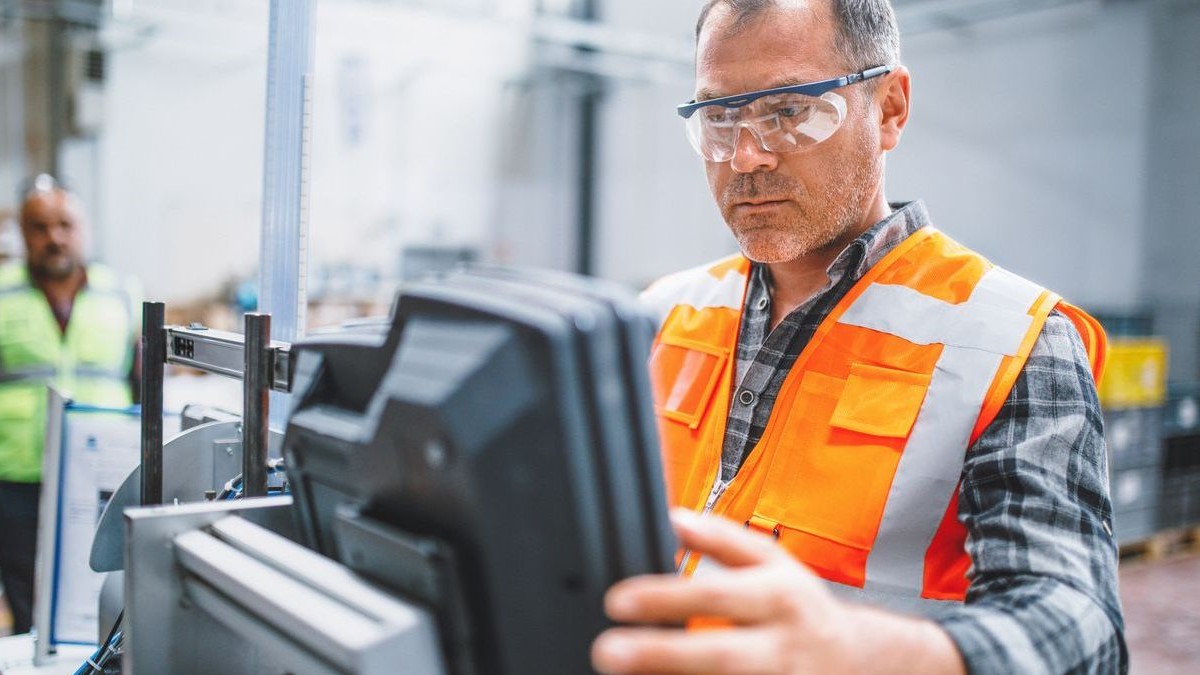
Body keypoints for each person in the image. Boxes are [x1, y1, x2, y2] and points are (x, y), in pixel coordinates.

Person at [591, 1, 1125, 673]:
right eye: (720, 118)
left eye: (789, 111)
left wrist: (874, 654)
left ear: (891, 107)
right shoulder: (664, 311)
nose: (747, 156)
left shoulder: (1010, 339)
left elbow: (1081, 632)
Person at [0, 175, 140, 634]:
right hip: (15, 474)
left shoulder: (121, 293)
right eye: (38, 227)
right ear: (22, 234)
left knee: (98, 590)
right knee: (24, 593)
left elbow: (141, 382)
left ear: (85, 228)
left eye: (64, 224)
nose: (53, 237)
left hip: (100, 474)